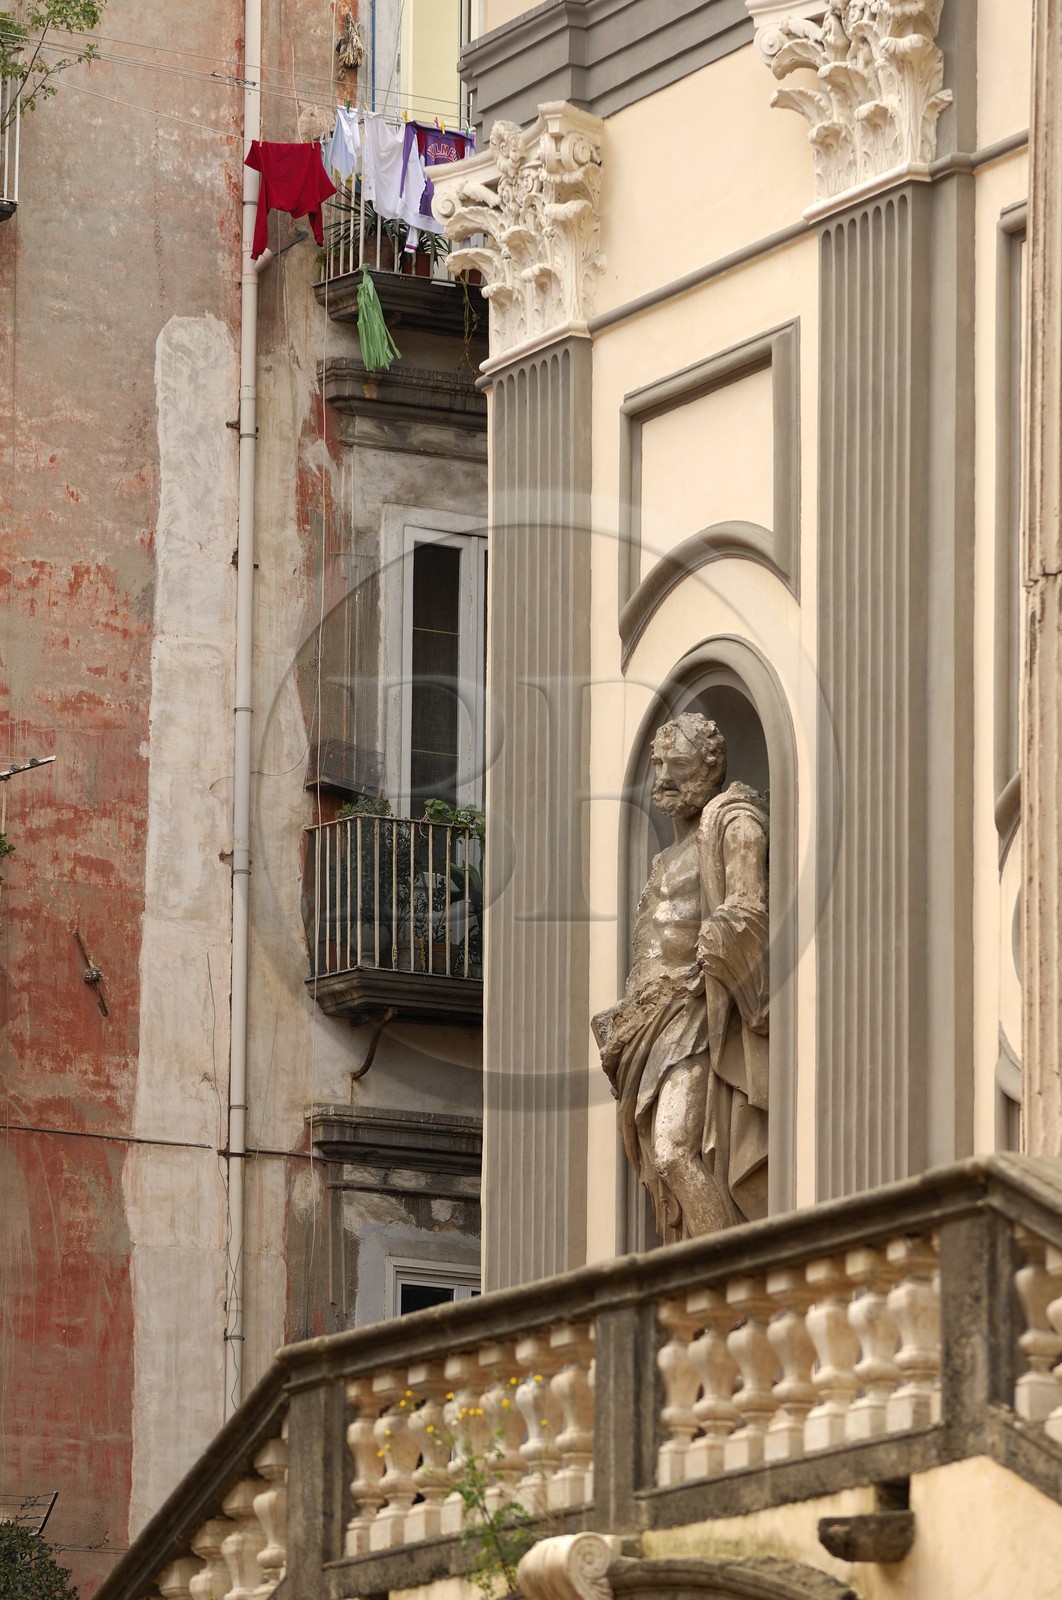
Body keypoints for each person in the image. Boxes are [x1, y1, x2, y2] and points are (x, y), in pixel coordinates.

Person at [593, 713, 770, 1239]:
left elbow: (748, 907)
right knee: (660, 1163)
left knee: (673, 1150)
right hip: (645, 1022)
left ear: (710, 769)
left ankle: (729, 1268)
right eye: (659, 765)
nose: (664, 778)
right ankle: (698, 1255)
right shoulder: (663, 858)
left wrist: (716, 941)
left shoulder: (733, 822)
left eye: (680, 765)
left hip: (692, 1007)